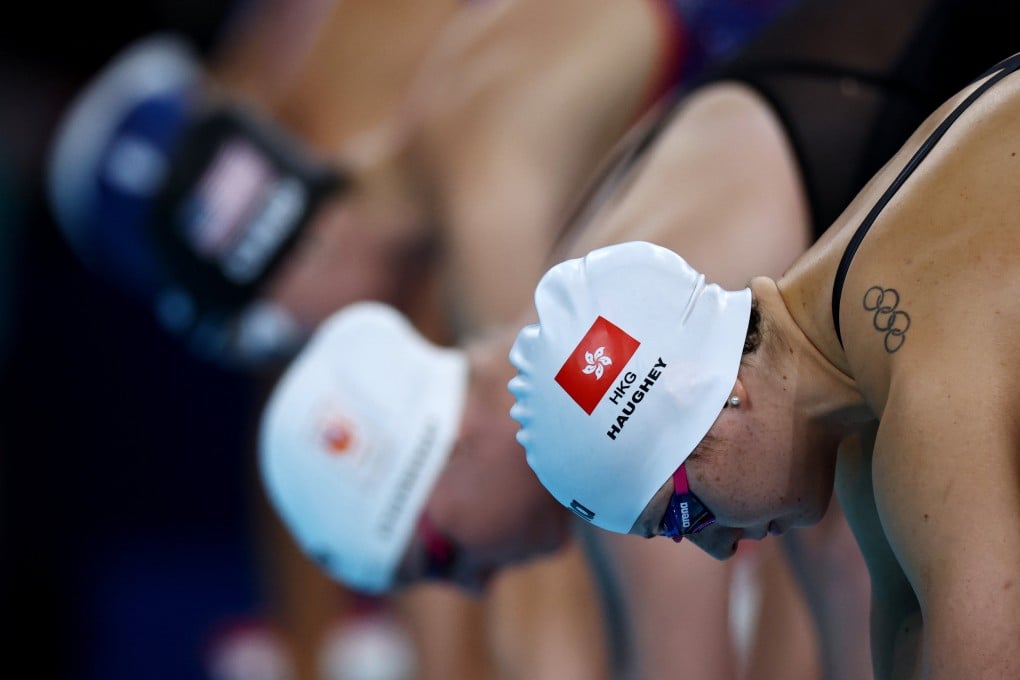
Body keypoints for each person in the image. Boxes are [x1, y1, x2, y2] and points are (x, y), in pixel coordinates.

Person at [261, 1, 1020, 678]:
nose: (470, 587)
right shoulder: (637, 334)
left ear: (451, 446)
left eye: (441, 556)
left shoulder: (650, 416)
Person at [510, 42, 1020, 680]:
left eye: (682, 516)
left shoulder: (922, 394)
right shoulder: (864, 394)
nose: (719, 549)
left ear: (721, 399)